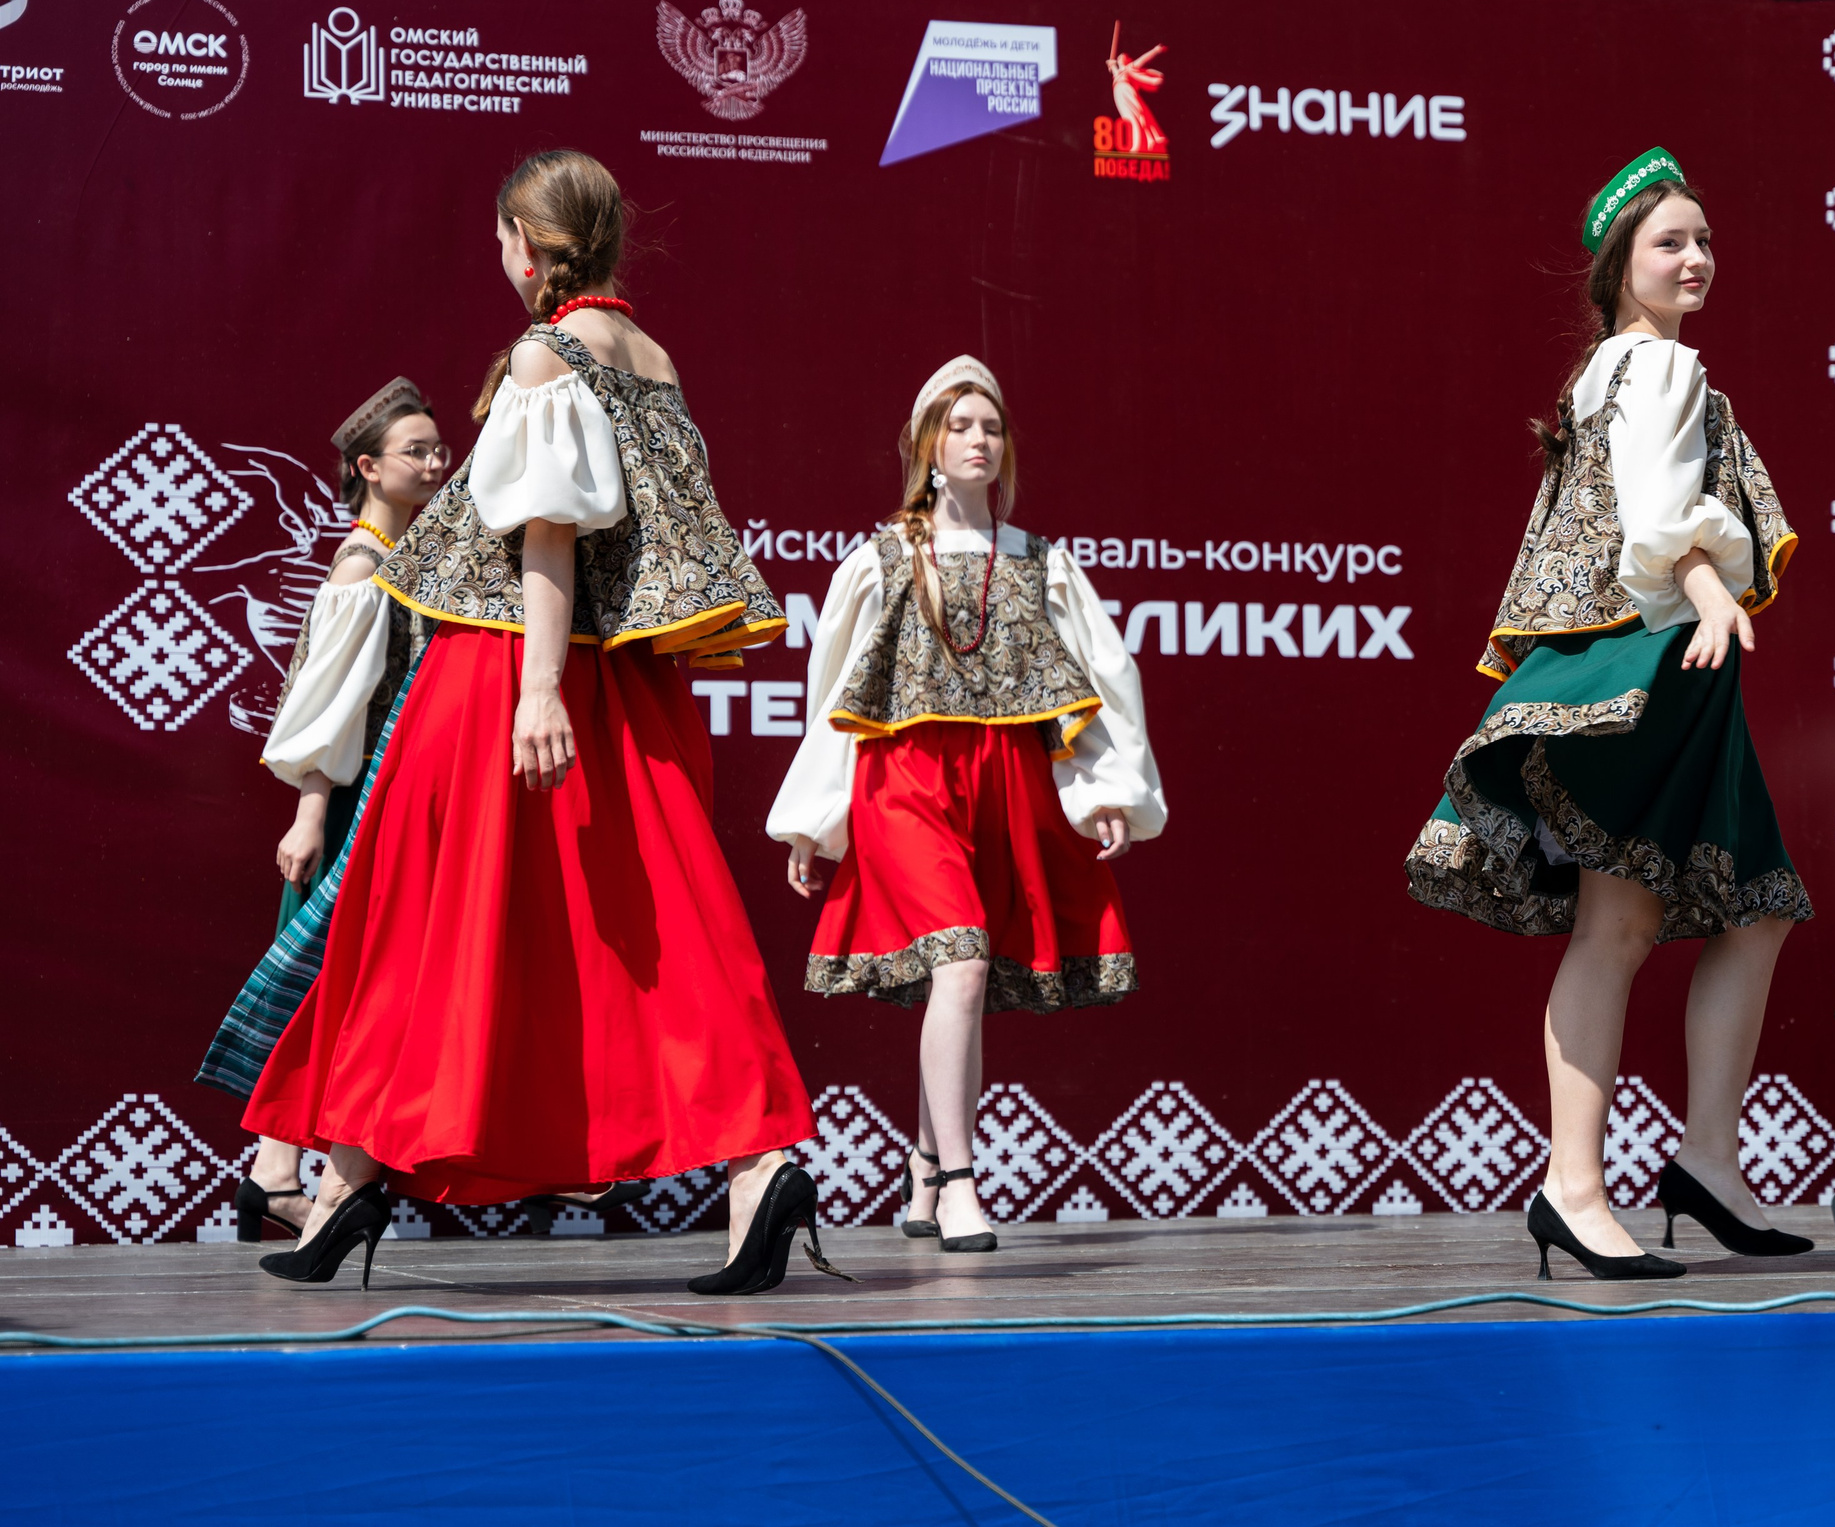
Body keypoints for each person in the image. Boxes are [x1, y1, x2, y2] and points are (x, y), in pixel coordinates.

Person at [243, 149, 827, 1296]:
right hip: (623, 688)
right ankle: (754, 1166)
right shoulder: (651, 359)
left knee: (419, 918)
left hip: (509, 677)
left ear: (527, 239)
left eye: (502, 235)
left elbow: (546, 534)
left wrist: (539, 689)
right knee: (655, 931)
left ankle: (349, 1178)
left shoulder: (544, 354)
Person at [1405, 149, 1811, 1281]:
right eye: (1668, 242)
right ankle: (1574, 1185)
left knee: (1756, 904)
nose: (1696, 257)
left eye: (1704, 238)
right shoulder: (1655, 368)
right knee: (1620, 925)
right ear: (1619, 268)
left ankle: (1706, 1163)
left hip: (1666, 659)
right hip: (1654, 655)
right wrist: (1707, 584)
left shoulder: (1609, 371)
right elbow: (1652, 512)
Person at [768, 356, 1163, 1254]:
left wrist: (1105, 790)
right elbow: (834, 693)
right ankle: (957, 1180)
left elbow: (1105, 679)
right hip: (903, 780)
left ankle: (919, 1164)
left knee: (966, 981)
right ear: (927, 448)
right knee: (963, 962)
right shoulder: (878, 560)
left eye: (991, 426)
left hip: (1005, 781)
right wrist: (813, 820)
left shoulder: (1040, 564)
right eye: (960, 426)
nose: (979, 440)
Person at [198, 380, 447, 1241]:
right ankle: (275, 1170)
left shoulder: (407, 557)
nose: (435, 461)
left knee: (337, 983)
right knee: (330, 979)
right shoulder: (364, 563)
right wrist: (310, 813)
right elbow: (330, 705)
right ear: (367, 468)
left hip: (383, 800)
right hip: (349, 804)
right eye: (415, 450)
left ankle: (274, 1171)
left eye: (438, 447)